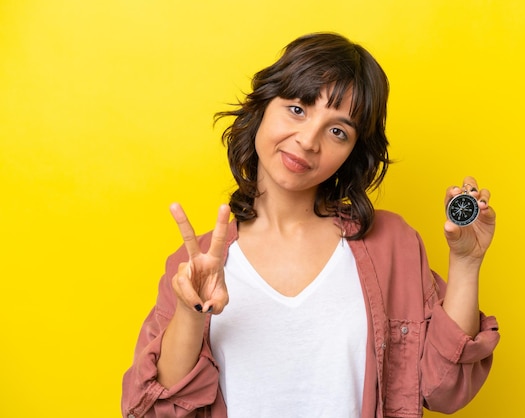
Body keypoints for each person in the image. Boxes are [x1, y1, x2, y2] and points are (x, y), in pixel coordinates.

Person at [121, 32, 500, 418]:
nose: (307, 141)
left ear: (352, 153)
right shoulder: (197, 265)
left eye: (338, 131)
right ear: (263, 107)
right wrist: (191, 310)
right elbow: (155, 412)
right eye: (298, 109)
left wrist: (466, 263)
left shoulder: (392, 245)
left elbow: (445, 389)